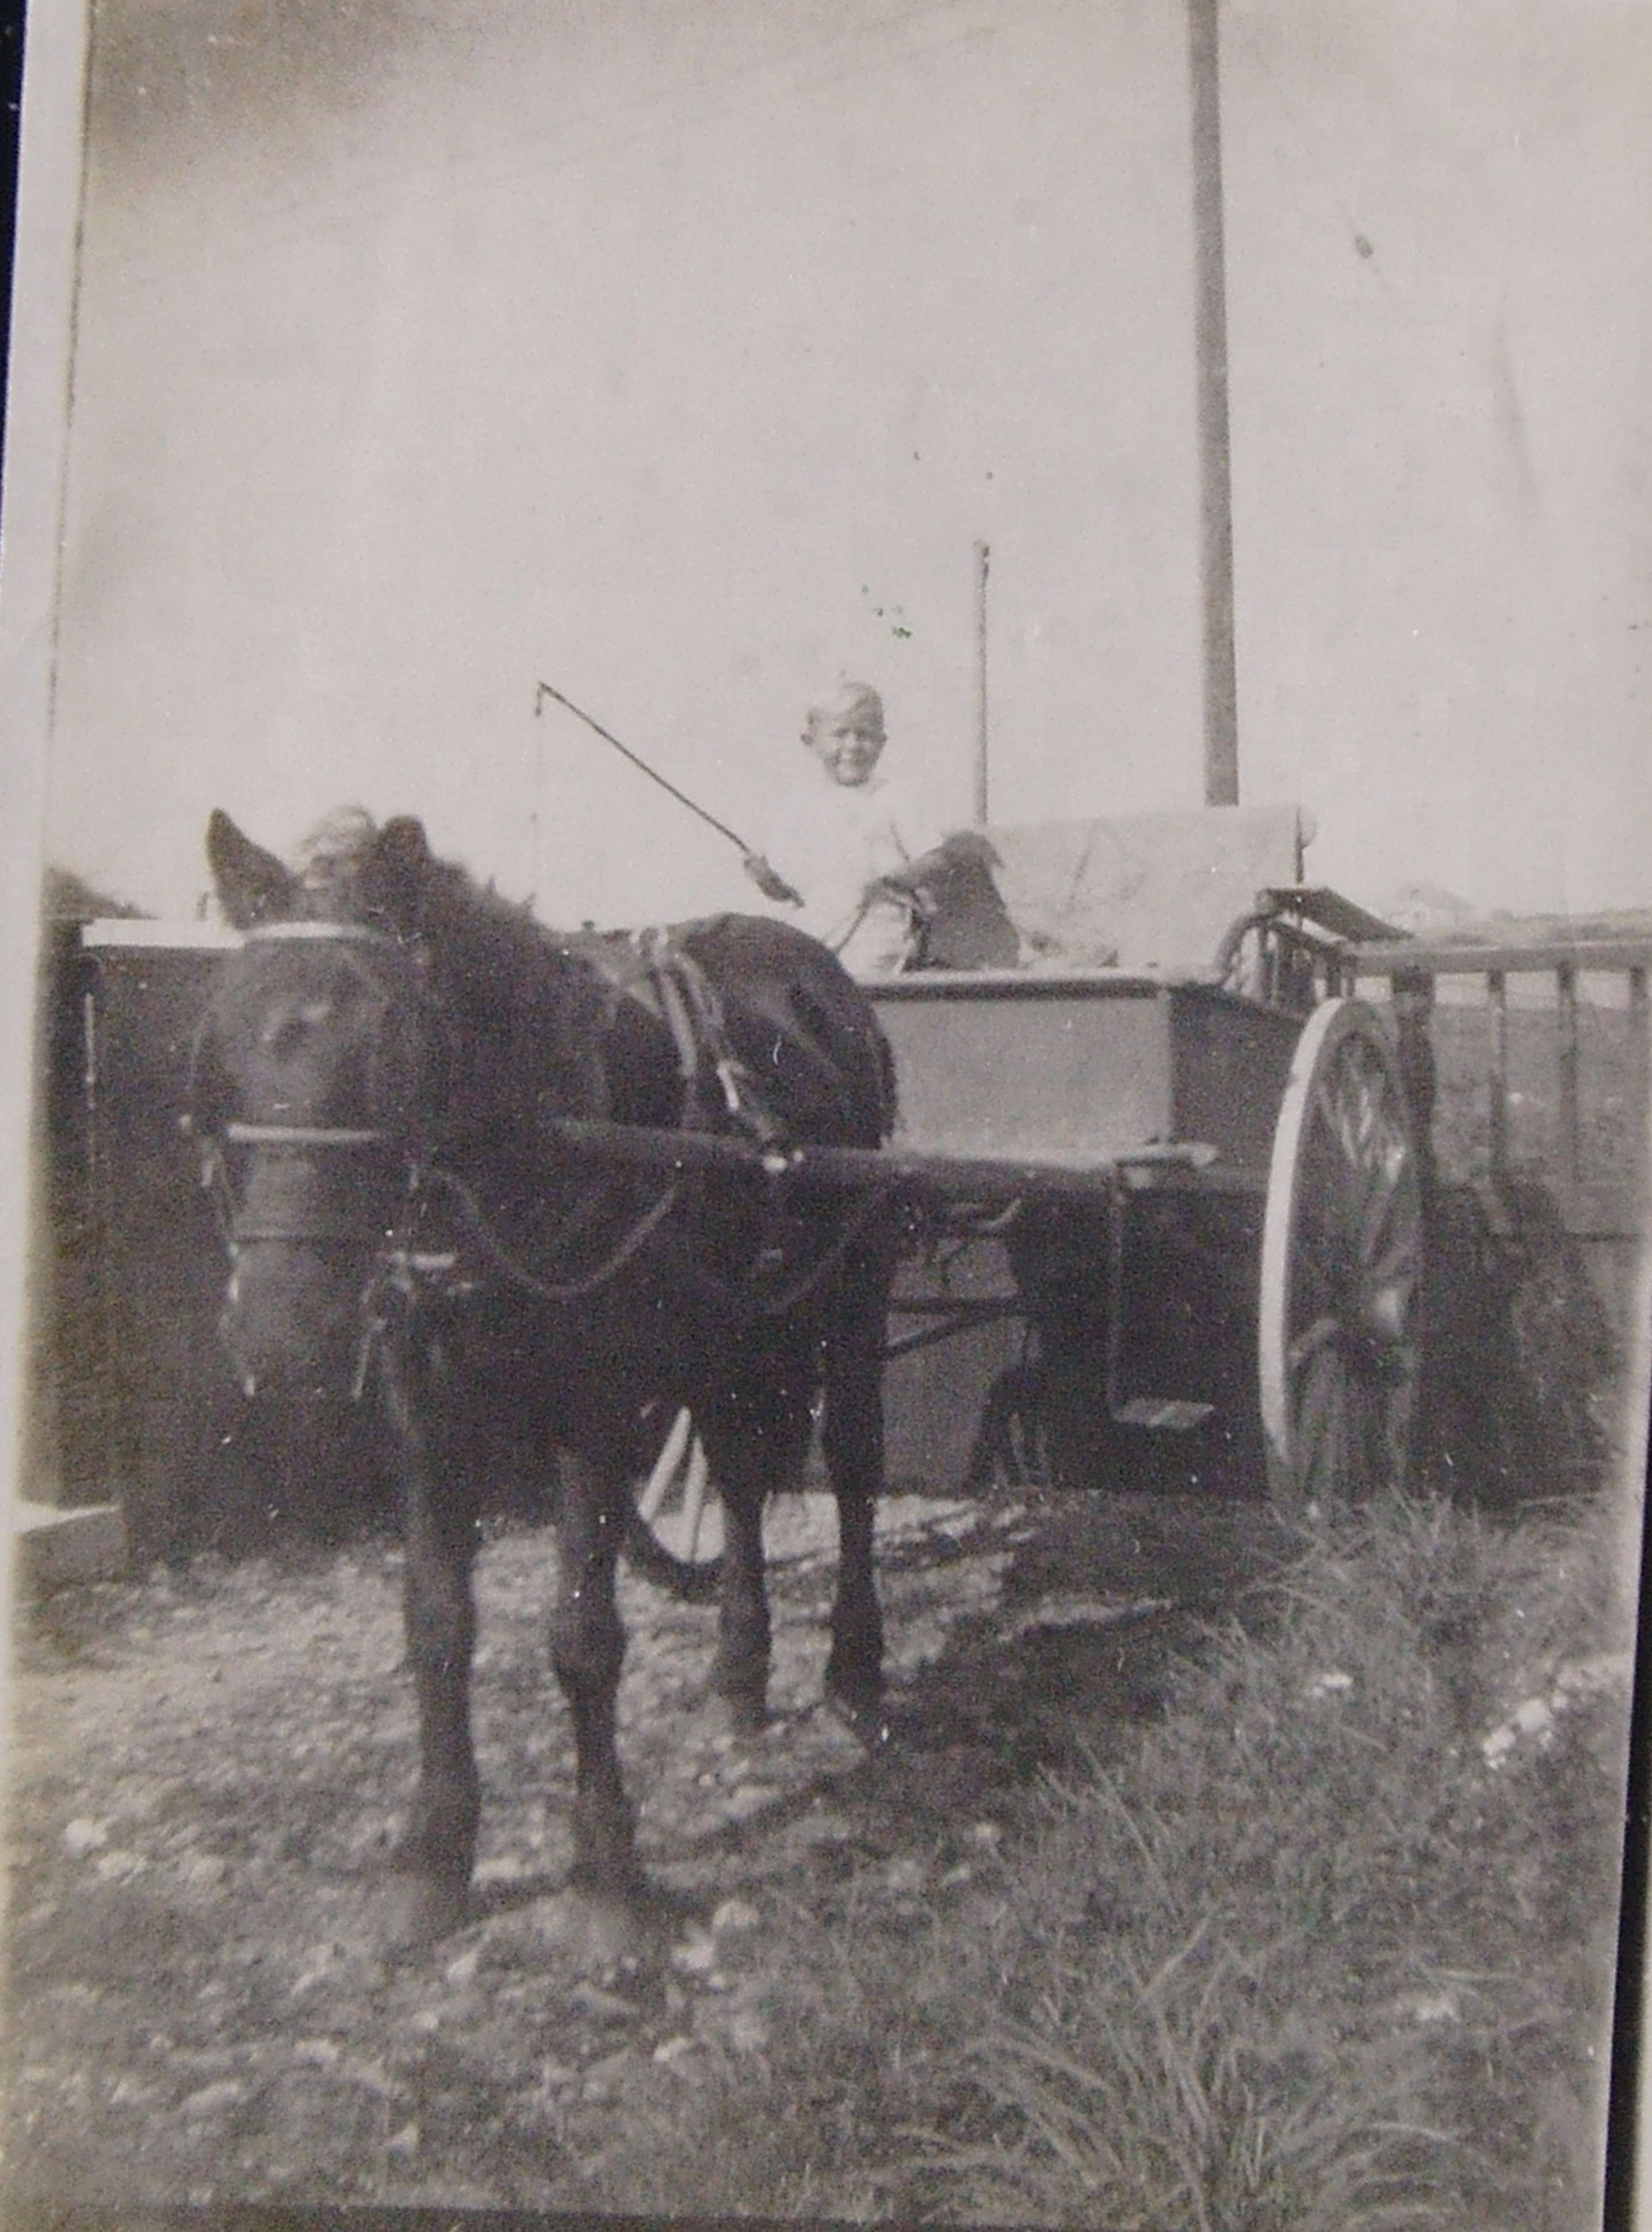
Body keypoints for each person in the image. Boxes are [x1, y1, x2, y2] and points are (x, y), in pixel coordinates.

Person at [766, 681, 948, 974]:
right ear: (810, 741)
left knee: (860, 983)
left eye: (865, 735)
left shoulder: (893, 797)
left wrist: (900, 877)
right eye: (840, 734)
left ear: (882, 742)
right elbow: (784, 888)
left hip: (877, 924)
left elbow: (936, 859)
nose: (852, 746)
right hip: (815, 925)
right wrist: (766, 878)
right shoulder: (798, 806)